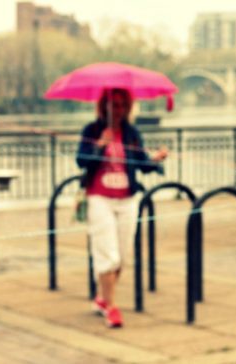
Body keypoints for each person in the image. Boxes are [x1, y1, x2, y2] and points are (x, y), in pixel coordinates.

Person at [76, 88, 168, 328]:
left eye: (120, 105)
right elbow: (81, 161)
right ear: (103, 106)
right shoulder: (92, 130)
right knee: (108, 253)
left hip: (127, 199)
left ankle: (102, 297)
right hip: (99, 198)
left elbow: (140, 163)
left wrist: (155, 160)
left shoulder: (131, 133)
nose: (116, 110)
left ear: (127, 108)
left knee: (123, 257)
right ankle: (112, 307)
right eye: (112, 104)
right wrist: (99, 145)